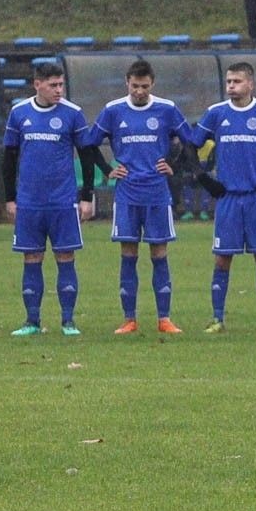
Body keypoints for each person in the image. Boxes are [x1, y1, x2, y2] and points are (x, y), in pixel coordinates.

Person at [190, 62, 256, 333]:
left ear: (250, 84)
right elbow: (192, 146)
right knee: (222, 258)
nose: (231, 86)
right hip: (228, 198)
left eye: (237, 81)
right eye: (228, 81)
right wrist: (205, 179)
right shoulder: (216, 113)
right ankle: (217, 318)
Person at [91, 60, 192, 335]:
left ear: (153, 84)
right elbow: (89, 144)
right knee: (128, 254)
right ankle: (129, 319)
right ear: (127, 83)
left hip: (157, 193)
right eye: (135, 86)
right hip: (127, 193)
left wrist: (176, 166)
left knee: (159, 253)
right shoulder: (113, 110)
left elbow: (191, 140)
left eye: (144, 86)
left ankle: (164, 318)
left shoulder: (167, 109)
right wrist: (108, 169)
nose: (139, 91)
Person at [3, 60, 101, 337]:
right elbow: (9, 158)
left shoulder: (73, 114)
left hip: (63, 201)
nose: (59, 90)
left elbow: (87, 156)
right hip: (29, 201)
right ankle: (32, 321)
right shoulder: (19, 113)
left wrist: (86, 196)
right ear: (37, 85)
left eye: (61, 85)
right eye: (53, 85)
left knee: (65, 256)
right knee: (31, 258)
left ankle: (68, 321)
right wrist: (10, 198)